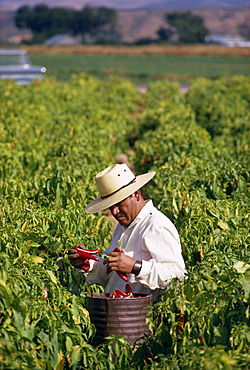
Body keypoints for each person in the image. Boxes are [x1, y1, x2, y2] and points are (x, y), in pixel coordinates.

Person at [68, 163, 186, 301]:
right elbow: (110, 275)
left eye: (119, 203)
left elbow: (177, 275)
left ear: (136, 194)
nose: (114, 212)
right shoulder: (123, 226)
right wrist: (87, 264)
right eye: (111, 206)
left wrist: (136, 266)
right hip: (117, 311)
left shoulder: (155, 225)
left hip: (142, 316)